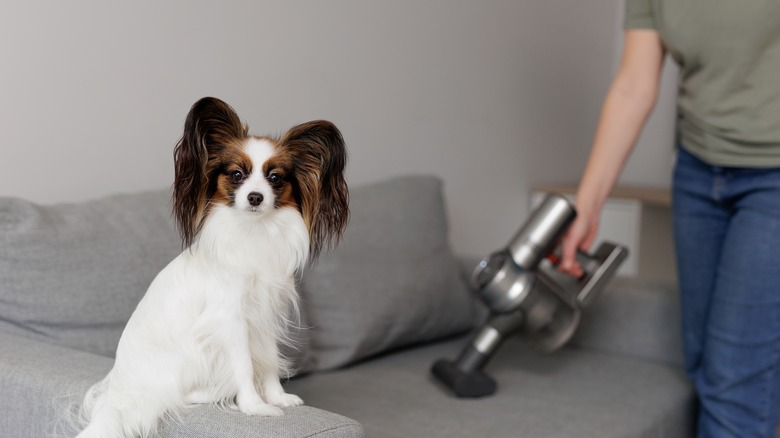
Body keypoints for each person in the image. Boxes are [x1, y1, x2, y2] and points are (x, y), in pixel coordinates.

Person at [558, 1, 780, 437]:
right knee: (702, 364)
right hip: (698, 171)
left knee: (734, 379)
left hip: (773, 175)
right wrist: (587, 205)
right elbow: (634, 87)